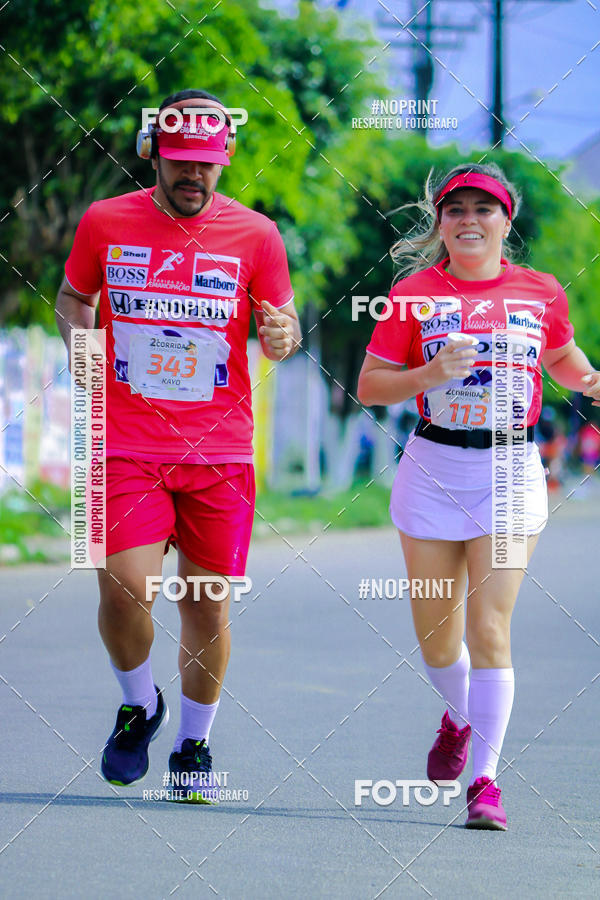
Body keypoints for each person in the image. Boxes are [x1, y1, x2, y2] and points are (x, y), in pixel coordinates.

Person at [55, 88, 302, 802]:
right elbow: (75, 297)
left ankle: (193, 745)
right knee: (125, 588)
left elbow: (278, 319)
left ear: (225, 159)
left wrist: (283, 335)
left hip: (219, 453)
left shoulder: (256, 235)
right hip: (126, 442)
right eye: (180, 163)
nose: (194, 177)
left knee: (206, 606)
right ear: (152, 155)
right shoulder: (106, 222)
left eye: (208, 164)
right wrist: (82, 344)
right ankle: (139, 705)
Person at [357, 163, 600, 830]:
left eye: (483, 209)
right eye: (455, 209)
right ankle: (457, 715)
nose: (469, 219)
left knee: (490, 628)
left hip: (509, 469)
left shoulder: (540, 292)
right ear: (440, 222)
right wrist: (431, 372)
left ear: (505, 221)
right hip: (434, 467)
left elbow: (561, 358)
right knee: (438, 640)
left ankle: (486, 782)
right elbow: (370, 385)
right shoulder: (413, 294)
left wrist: (591, 381)